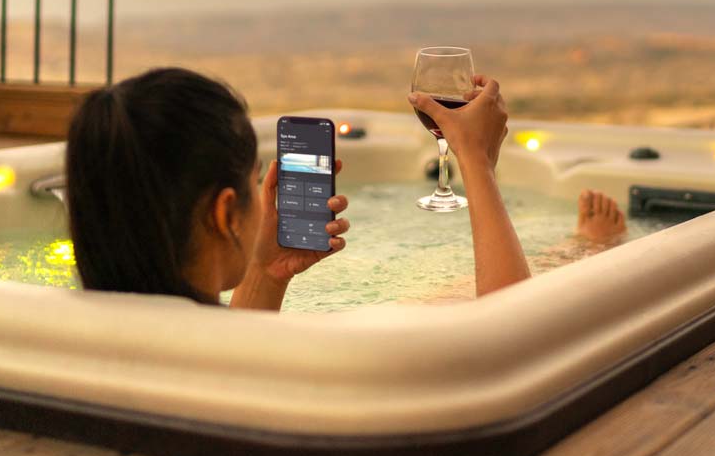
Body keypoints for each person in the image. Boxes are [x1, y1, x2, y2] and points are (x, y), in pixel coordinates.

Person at [65, 66, 550, 309]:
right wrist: (477, 163)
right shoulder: (303, 360)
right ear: (226, 214)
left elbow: (234, 355)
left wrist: (266, 272)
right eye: (253, 180)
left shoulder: (83, 338)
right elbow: (516, 340)